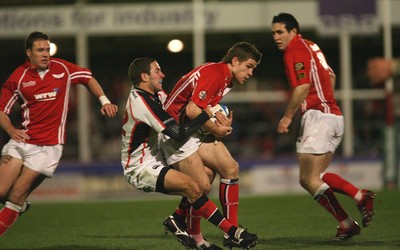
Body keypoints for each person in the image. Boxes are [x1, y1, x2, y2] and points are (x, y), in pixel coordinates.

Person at [121, 57, 258, 249]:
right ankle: (233, 232)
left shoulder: (157, 96)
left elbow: (181, 120)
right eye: (157, 70)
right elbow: (178, 133)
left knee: (207, 178)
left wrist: (215, 124)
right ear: (144, 76)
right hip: (140, 167)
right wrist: (207, 115)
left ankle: (180, 222)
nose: (163, 74)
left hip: (156, 157)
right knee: (195, 187)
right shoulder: (141, 102)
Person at [0, 31, 118, 236]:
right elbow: (1, 110)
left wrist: (104, 101)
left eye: (47, 49)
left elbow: (88, 78)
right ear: (29, 53)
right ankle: (19, 206)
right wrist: (11, 130)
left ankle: (16, 205)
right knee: (2, 192)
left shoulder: (62, 68)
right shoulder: (18, 77)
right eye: (40, 50)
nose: (46, 54)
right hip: (22, 141)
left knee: (17, 194)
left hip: (48, 147)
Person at [271, 13, 376, 241]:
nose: (276, 37)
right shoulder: (311, 45)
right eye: (273, 33)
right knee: (314, 177)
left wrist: (287, 117)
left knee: (309, 179)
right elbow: (331, 75)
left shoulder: (295, 50)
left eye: (280, 32)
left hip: (318, 117)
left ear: (293, 32)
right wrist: (326, 99)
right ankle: (348, 223)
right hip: (333, 116)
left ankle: (359, 197)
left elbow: (302, 87)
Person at [161, 41, 262, 249]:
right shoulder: (216, 73)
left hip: (191, 130)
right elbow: (192, 111)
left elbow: (200, 111)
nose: (251, 72)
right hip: (174, 134)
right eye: (249, 66)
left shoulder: (225, 79)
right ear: (235, 61)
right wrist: (216, 129)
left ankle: (228, 232)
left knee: (230, 167)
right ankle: (196, 234)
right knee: (203, 184)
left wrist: (219, 124)